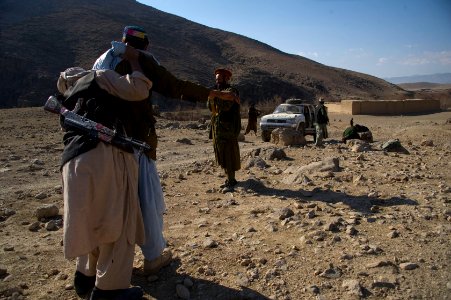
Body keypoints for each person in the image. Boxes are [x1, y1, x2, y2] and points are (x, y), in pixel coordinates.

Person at [93, 26, 239, 275]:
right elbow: (175, 86)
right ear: (146, 46)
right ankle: (153, 257)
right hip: (136, 142)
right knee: (146, 201)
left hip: (102, 142)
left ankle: (104, 267)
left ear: (122, 40)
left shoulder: (102, 61)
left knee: (110, 203)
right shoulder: (140, 60)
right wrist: (212, 93)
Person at [56, 46, 151, 300]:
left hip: (73, 161)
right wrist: (135, 63)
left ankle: (85, 277)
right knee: (118, 224)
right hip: (104, 157)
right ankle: (111, 290)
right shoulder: (100, 77)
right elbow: (139, 88)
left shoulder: (69, 88)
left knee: (91, 221)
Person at [208, 68, 241, 191]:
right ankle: (229, 179)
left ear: (226, 79)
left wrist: (215, 95)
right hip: (218, 128)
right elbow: (211, 107)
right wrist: (214, 97)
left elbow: (225, 106)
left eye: (220, 79)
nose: (217, 81)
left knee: (229, 155)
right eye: (216, 79)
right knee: (221, 154)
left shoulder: (231, 91)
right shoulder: (219, 91)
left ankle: (232, 180)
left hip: (228, 129)